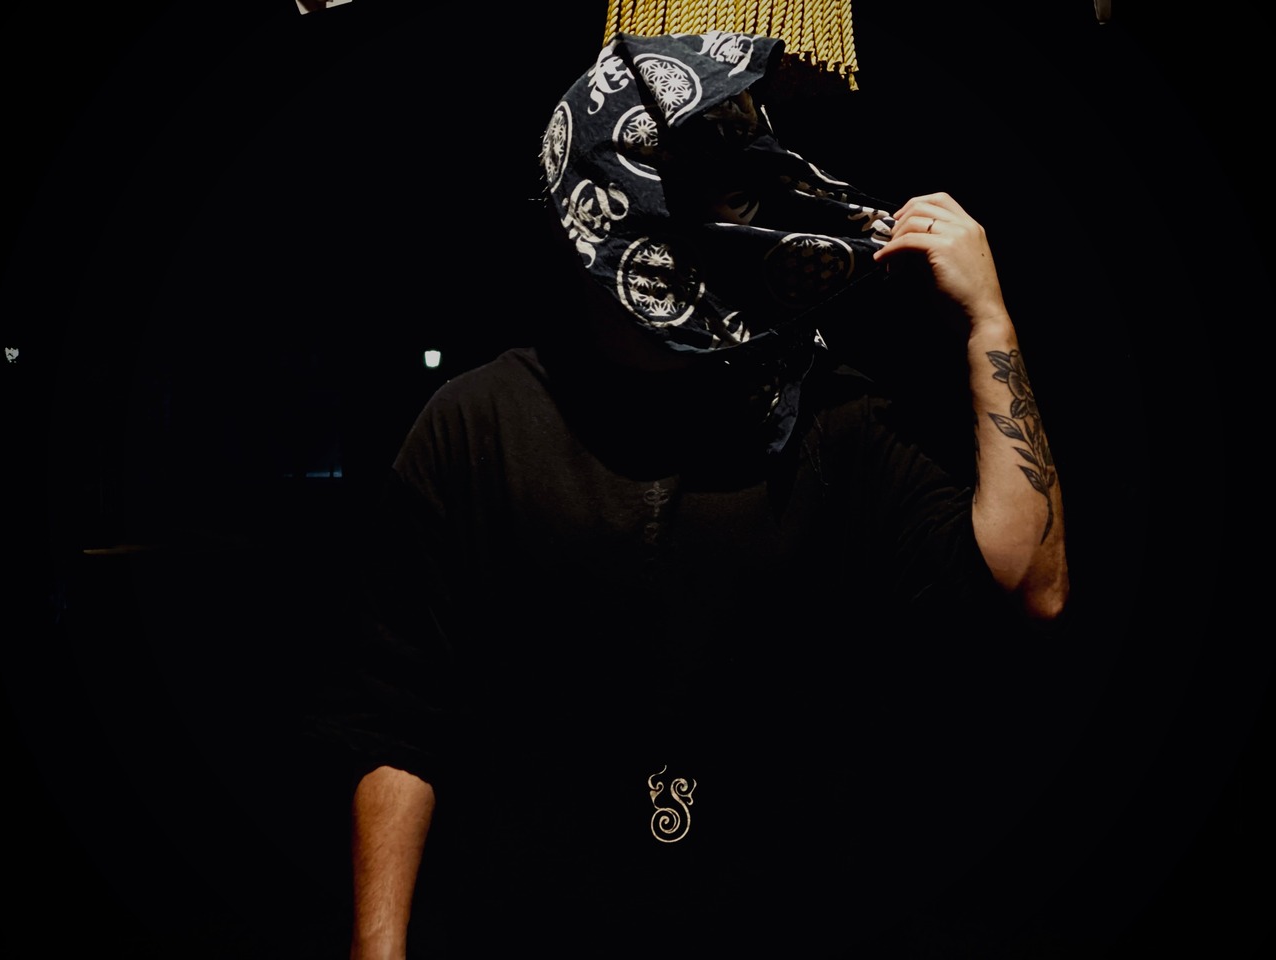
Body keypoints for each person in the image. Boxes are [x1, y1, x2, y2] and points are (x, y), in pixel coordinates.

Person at [332, 30, 1068, 959]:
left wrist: (988, 322)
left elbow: (1028, 583)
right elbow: (400, 719)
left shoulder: (826, 415)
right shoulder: (473, 427)